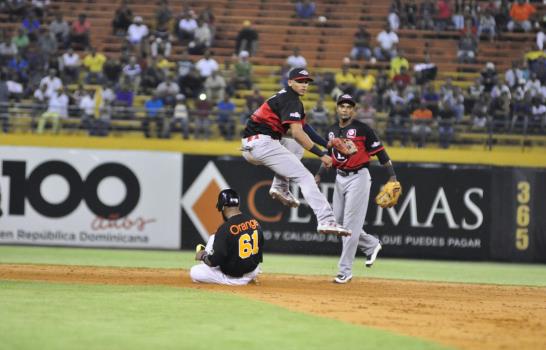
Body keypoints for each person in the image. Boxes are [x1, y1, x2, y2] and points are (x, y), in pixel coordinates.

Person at [241, 67, 350, 236]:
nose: (304, 85)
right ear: (290, 82)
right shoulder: (291, 100)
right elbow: (298, 133)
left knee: (295, 147)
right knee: (305, 177)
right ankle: (326, 220)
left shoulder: (286, 96)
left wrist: (326, 145)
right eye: (300, 81)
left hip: (252, 144)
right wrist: (322, 155)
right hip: (263, 144)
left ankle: (280, 187)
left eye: (306, 82)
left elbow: (304, 127)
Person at [315, 94, 392, 284]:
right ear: (337, 108)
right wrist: (318, 175)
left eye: (349, 106)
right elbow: (328, 157)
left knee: (349, 225)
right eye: (342, 106)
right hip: (340, 177)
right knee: (339, 222)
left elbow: (380, 153)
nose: (345, 109)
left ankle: (345, 271)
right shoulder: (331, 131)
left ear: (354, 110)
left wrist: (392, 176)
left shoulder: (363, 129)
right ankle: (371, 244)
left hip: (359, 176)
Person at [191, 189, 264, 285]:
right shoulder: (255, 223)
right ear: (238, 204)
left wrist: (203, 256)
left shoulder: (224, 229)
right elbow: (259, 256)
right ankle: (251, 277)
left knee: (195, 272)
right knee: (215, 238)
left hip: (232, 278)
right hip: (251, 272)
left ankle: (229, 281)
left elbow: (213, 262)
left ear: (223, 207)